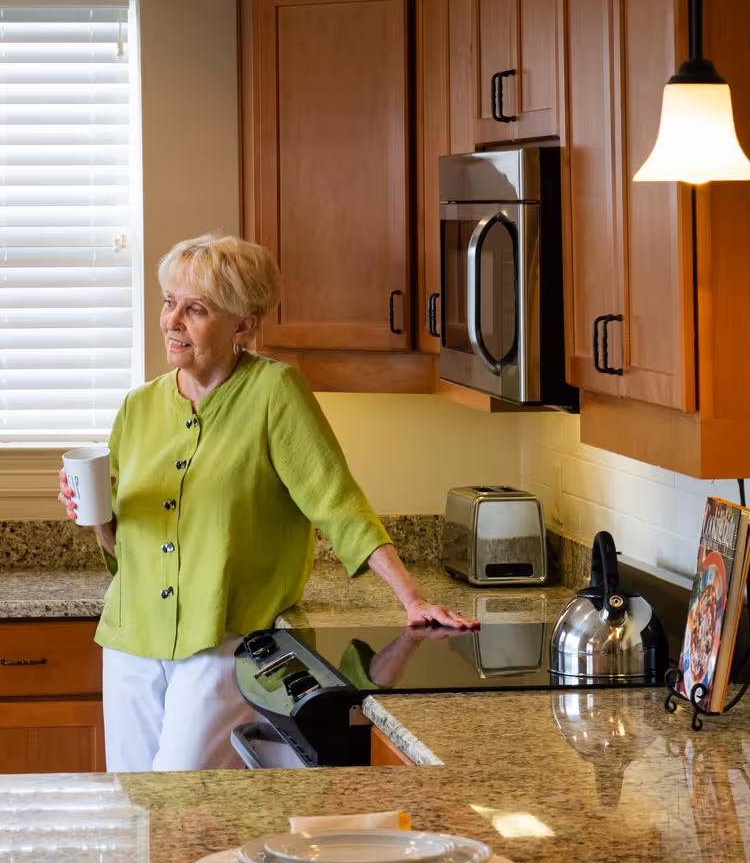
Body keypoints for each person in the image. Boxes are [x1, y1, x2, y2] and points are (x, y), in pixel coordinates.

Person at [59, 233, 477, 771]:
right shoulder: (138, 407)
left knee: (181, 795)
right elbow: (124, 544)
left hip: (223, 641)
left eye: (195, 309)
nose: (172, 321)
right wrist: (94, 515)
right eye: (169, 302)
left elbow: (337, 502)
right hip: (131, 636)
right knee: (134, 800)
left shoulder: (275, 392)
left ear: (243, 325)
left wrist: (412, 599)